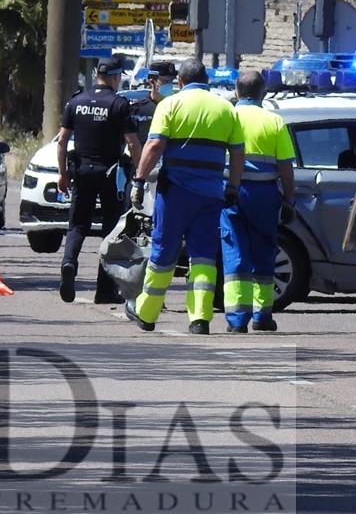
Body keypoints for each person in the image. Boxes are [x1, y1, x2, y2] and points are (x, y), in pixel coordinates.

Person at [126, 58, 245, 335]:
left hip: (176, 193)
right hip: (211, 195)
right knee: (203, 255)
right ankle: (200, 318)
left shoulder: (170, 104)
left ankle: (146, 313)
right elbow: (238, 154)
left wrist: (139, 180)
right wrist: (233, 187)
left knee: (164, 251)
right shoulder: (226, 108)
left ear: (179, 81)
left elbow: (154, 145)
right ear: (208, 81)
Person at [57, 56, 142, 304]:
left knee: (77, 226)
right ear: (116, 77)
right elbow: (132, 142)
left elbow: (62, 141)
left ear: (96, 75)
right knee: (110, 230)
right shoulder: (119, 104)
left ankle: (69, 263)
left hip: (81, 170)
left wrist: (62, 173)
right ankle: (104, 290)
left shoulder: (76, 102)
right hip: (110, 174)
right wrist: (139, 173)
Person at [221, 71, 296, 333]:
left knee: (235, 252)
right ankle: (262, 316)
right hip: (264, 195)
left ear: (236, 91)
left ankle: (236, 319)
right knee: (264, 251)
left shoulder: (227, 117)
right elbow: (286, 168)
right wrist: (289, 200)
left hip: (230, 191)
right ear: (263, 93)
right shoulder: (274, 121)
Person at [129, 60, 177, 145]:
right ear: (151, 81)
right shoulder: (138, 108)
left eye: (171, 81)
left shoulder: (175, 108)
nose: (169, 85)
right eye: (165, 81)